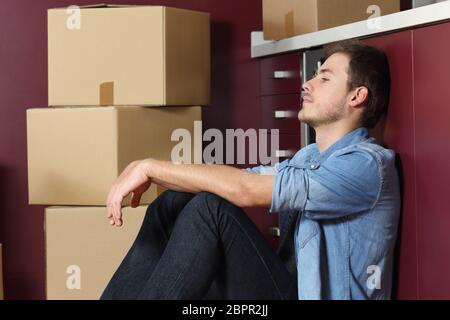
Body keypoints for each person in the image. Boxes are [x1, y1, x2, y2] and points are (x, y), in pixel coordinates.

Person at [100, 40, 400, 300]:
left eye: (324, 78)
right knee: (173, 201)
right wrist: (148, 170)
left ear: (356, 96)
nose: (306, 84)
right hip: (284, 287)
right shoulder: (310, 156)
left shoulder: (366, 166)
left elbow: (244, 190)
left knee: (209, 209)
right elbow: (245, 180)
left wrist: (149, 167)